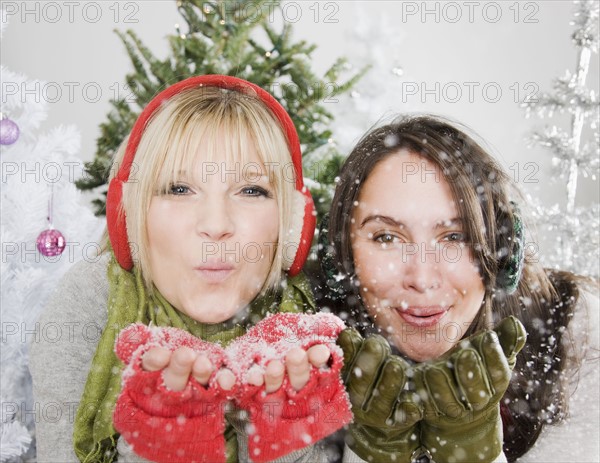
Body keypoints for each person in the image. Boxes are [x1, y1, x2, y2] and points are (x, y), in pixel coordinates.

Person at [29, 75, 352, 463]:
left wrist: (285, 445)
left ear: (289, 228)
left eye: (251, 190)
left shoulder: (314, 324)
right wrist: (158, 445)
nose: (216, 225)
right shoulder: (88, 302)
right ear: (131, 217)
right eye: (179, 189)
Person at [319, 115, 599, 462]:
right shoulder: (313, 354)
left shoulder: (578, 336)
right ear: (341, 257)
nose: (422, 279)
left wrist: (473, 451)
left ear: (504, 249)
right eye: (387, 237)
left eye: (454, 237)